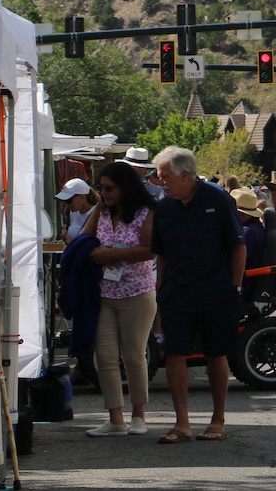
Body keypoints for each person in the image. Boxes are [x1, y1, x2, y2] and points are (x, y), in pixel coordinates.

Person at [150, 146, 245, 443]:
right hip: (177, 293)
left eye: (165, 175)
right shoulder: (164, 207)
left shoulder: (218, 199)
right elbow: (161, 253)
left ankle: (217, 420)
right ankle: (182, 424)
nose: (160, 180)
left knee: (216, 353)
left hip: (217, 292)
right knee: (174, 354)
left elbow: (238, 246)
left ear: (186, 175)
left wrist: (233, 287)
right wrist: (160, 290)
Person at [80, 161, 156, 437]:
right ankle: (115, 419)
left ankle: (139, 416)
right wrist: (98, 207)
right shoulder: (102, 212)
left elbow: (150, 250)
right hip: (104, 293)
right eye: (101, 188)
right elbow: (83, 240)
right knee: (106, 356)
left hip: (137, 293)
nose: (104, 192)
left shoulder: (145, 212)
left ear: (125, 188)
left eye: (109, 188)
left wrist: (112, 254)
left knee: (134, 355)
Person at [232, 189, 268, 273]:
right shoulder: (256, 227)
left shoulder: (247, 232)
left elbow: (235, 261)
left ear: (240, 214)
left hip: (244, 280)